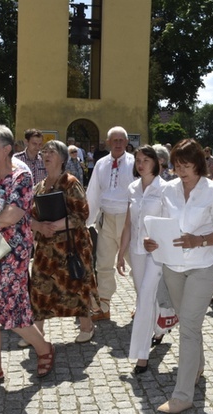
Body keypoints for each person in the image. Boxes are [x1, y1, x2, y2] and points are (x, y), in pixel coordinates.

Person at [143, 139, 213, 414]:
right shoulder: (167, 189)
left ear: (199, 165)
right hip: (172, 266)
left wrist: (199, 240)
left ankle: (182, 395)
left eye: (186, 165)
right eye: (177, 165)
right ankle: (197, 365)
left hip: (203, 267)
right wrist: (150, 240)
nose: (181, 171)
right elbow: (156, 224)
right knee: (188, 324)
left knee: (190, 326)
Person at [0, 125, 55, 384]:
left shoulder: (21, 175)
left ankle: (43, 348)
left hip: (11, 253)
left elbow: (14, 213)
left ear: (7, 149)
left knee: (10, 309)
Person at [30, 140, 97, 344]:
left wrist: (54, 226)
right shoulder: (40, 186)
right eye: (44, 152)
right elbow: (30, 215)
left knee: (76, 284)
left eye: (51, 152)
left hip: (71, 246)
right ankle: (37, 333)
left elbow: (82, 214)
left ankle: (87, 326)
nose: (46, 155)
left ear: (61, 158)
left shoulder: (70, 182)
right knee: (40, 287)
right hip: (46, 247)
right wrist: (40, 227)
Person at [117, 145, 167, 373]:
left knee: (144, 299)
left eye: (146, 159)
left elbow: (170, 224)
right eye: (138, 159)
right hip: (136, 251)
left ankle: (141, 355)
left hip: (157, 253)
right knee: (145, 295)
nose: (140, 163)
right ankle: (160, 327)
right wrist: (120, 253)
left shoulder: (166, 189)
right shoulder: (132, 188)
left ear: (156, 162)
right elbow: (128, 223)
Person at [85, 126, 135, 320]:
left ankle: (143, 305)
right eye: (114, 140)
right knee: (104, 262)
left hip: (127, 220)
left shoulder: (134, 163)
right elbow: (94, 191)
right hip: (106, 219)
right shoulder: (101, 164)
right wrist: (88, 219)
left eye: (121, 140)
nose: (118, 144)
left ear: (126, 142)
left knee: (136, 264)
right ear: (108, 142)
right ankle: (103, 306)